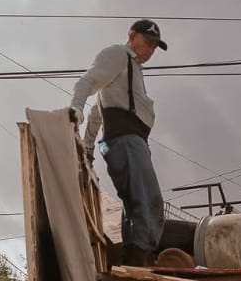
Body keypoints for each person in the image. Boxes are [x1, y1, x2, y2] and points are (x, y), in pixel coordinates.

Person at [70, 18, 168, 267]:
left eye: (155, 46)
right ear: (132, 36)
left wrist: (88, 146)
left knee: (136, 202)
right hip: (125, 140)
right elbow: (87, 81)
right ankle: (139, 263)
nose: (151, 50)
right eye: (148, 42)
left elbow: (98, 111)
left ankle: (134, 261)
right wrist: (76, 109)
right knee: (149, 201)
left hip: (126, 141)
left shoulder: (131, 69)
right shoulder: (118, 54)